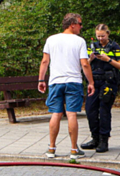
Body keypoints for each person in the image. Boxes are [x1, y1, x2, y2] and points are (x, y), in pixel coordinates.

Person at [37, 13, 95, 159]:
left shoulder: (51, 39)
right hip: (73, 81)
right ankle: (74, 150)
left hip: (55, 81)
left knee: (55, 114)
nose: (81, 27)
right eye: (80, 24)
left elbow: (45, 61)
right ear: (72, 24)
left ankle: (51, 149)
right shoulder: (79, 41)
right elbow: (84, 63)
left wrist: (41, 80)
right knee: (71, 114)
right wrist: (91, 82)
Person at [80, 24, 120, 153]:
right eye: (98, 36)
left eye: (103, 36)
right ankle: (95, 138)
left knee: (104, 111)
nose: (100, 39)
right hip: (94, 82)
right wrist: (91, 58)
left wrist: (108, 59)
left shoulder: (115, 47)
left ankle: (104, 140)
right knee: (90, 110)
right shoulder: (92, 47)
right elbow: (84, 65)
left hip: (108, 83)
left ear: (108, 34)